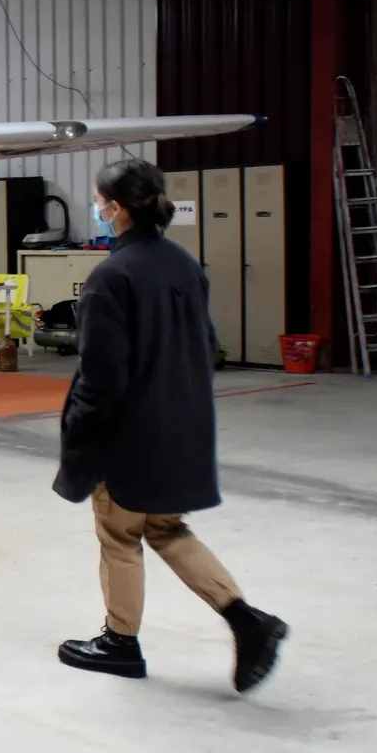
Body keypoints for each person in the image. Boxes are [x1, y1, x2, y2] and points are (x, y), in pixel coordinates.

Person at [52, 158, 287, 692]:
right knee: (165, 527)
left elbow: (102, 376)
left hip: (128, 436)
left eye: (98, 199)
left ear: (114, 209)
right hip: (181, 423)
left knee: (119, 534)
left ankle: (119, 642)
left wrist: (79, 434)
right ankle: (247, 620)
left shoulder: (110, 278)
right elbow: (205, 347)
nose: (97, 207)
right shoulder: (184, 264)